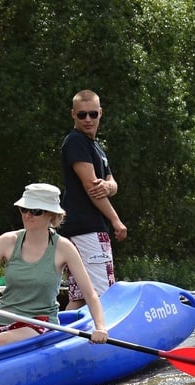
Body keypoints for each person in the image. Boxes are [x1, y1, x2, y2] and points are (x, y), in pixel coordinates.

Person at [0, 183, 108, 356]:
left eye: (36, 211)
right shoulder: (6, 241)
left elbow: (90, 293)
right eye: (24, 209)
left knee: (0, 342)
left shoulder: (64, 248)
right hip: (1, 323)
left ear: (52, 216)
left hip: (40, 324)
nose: (28, 215)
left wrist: (100, 328)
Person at [59, 89, 127, 309]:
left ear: (100, 113)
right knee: (102, 294)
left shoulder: (95, 147)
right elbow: (92, 188)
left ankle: (65, 338)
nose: (88, 119)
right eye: (81, 115)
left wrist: (109, 186)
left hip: (82, 229)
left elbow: (110, 182)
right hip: (86, 229)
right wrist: (116, 221)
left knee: (79, 296)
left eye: (92, 114)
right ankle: (101, 336)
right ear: (73, 115)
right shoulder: (76, 142)